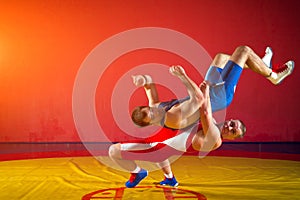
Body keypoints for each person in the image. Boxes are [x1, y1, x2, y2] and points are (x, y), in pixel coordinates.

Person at [109, 46, 295, 188]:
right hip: (216, 97)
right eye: (233, 126)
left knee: (221, 58)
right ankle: (271, 74)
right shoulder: (182, 121)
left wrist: (143, 81)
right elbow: (201, 104)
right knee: (243, 51)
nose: (229, 125)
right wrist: (183, 77)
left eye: (231, 128)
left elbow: (151, 90)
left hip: (206, 100)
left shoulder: (160, 111)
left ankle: (170, 179)